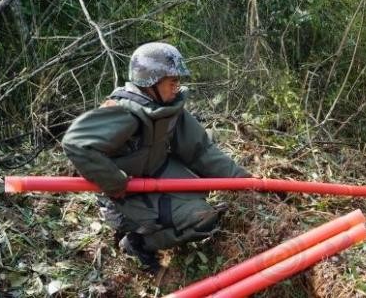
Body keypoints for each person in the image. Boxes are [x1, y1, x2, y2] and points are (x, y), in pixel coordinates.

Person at [62, 42, 251, 272]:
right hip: (125, 193)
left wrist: (246, 182)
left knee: (199, 192)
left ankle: (163, 220)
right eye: (171, 80)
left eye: (177, 80)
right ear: (151, 81)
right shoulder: (125, 112)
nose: (177, 86)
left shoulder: (167, 109)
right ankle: (137, 243)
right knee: (203, 216)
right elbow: (75, 143)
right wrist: (115, 182)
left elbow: (201, 150)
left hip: (155, 171)